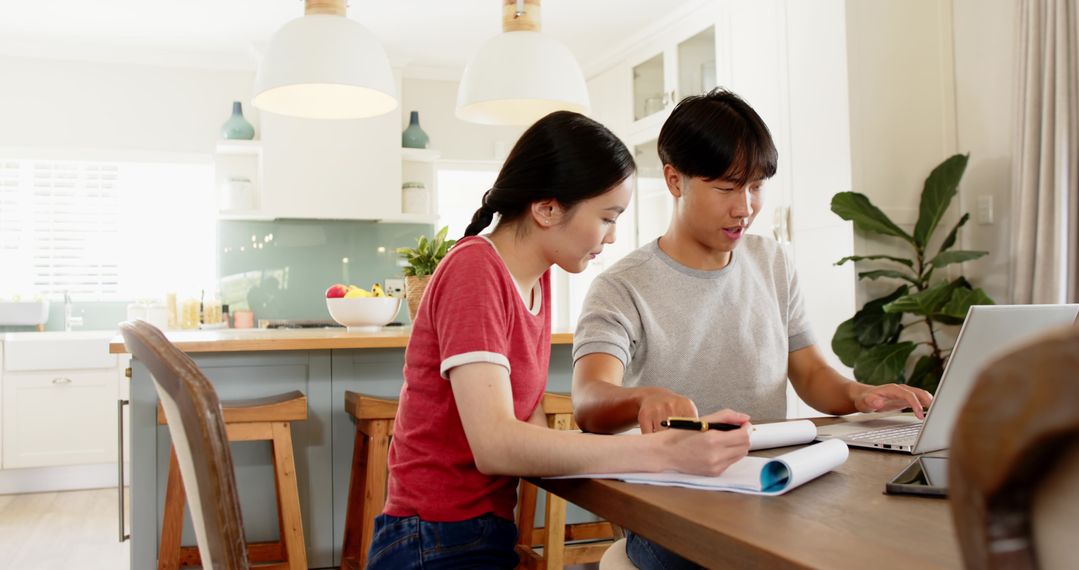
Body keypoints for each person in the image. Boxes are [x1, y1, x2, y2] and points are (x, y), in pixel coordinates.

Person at [366, 111, 754, 569]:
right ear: (547, 208)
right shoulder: (474, 269)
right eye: (607, 217)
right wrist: (660, 453)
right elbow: (495, 445)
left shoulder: (535, 281)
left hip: (480, 533)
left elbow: (528, 434)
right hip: (429, 540)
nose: (611, 238)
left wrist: (674, 446)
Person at [571, 89, 935, 569]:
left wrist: (859, 395)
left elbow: (810, 374)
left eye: (757, 186)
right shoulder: (621, 286)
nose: (746, 207)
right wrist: (641, 398)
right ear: (674, 180)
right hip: (677, 504)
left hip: (772, 484)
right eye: (727, 187)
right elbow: (588, 401)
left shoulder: (773, 263)